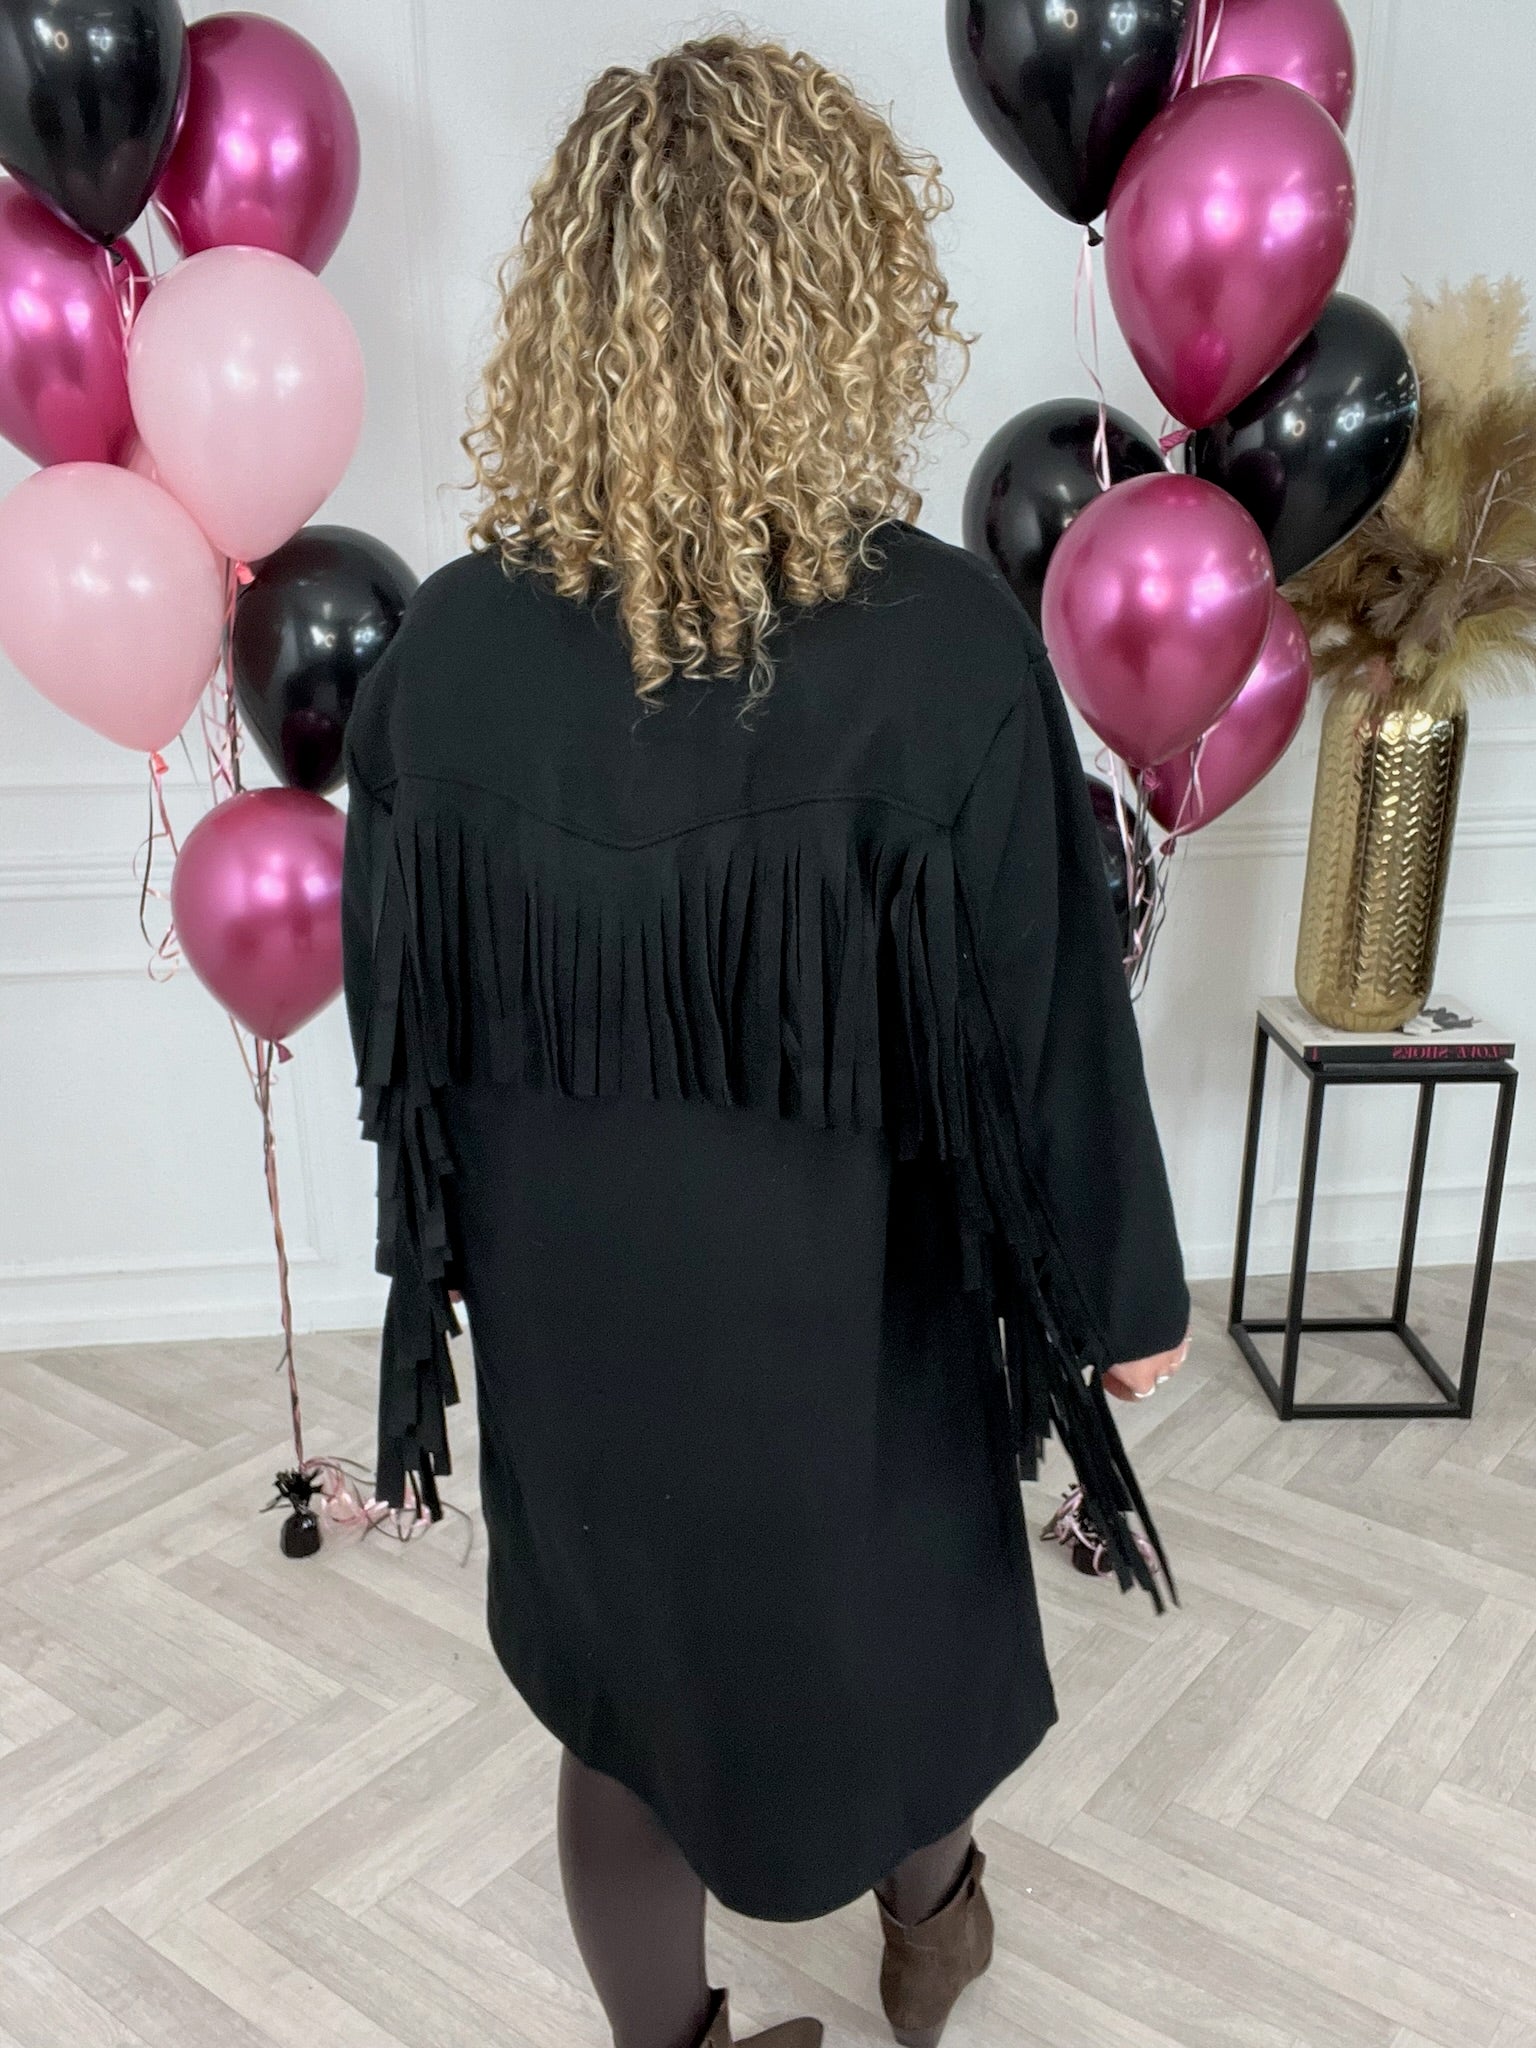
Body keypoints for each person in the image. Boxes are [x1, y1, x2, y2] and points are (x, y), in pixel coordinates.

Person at [341, 34, 1190, 2048]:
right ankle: (934, 1933)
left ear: (572, 316)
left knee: (624, 1716)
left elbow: (404, 1029)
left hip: (578, 1326)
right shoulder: (945, 652)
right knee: (897, 1640)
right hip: (851, 1319)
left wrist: (441, 1267)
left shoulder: (446, 657)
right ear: (847, 304)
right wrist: (1117, 1300)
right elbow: (1045, 1011)